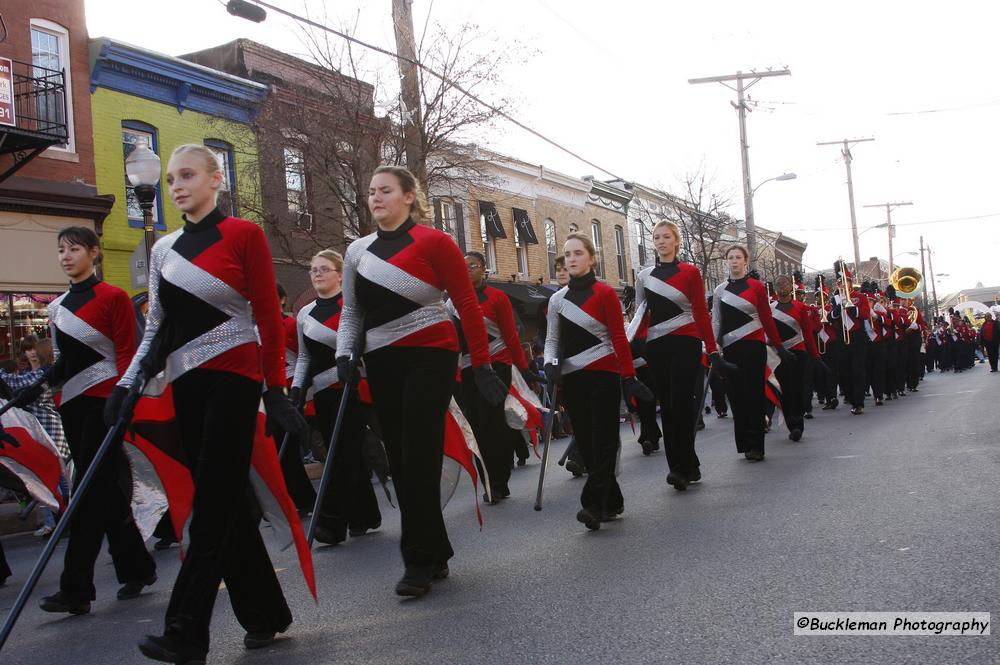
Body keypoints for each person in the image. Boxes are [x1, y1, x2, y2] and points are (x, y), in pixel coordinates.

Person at [108, 144, 308, 663]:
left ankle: (186, 630)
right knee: (227, 504)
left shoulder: (244, 234)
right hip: (185, 384)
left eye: (188, 175)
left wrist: (275, 389)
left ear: (216, 179)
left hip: (236, 381)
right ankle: (266, 613)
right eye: (171, 178)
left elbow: (266, 315)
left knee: (213, 501)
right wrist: (128, 385)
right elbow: (157, 327)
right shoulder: (164, 250)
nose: (176, 186)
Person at [336, 165, 506, 597]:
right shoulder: (357, 251)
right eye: (371, 191)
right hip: (381, 359)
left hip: (431, 355)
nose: (375, 198)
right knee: (400, 459)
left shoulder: (435, 242)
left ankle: (416, 559)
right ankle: (436, 548)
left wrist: (482, 364)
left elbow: (467, 303)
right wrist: (343, 352)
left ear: (409, 196)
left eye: (386, 191)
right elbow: (352, 310)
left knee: (417, 452)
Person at [21, 226, 157, 617]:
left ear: (94, 253)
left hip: (106, 405)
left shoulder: (113, 297)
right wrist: (40, 382)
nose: (66, 256)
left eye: (74, 248)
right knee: (107, 492)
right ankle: (138, 568)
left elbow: (129, 353)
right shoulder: (57, 306)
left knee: (86, 493)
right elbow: (64, 361)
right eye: (61, 249)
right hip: (74, 404)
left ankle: (76, 587)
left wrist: (123, 399)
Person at [544, 233, 652, 529]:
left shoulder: (605, 294)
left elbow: (619, 337)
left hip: (603, 374)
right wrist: (550, 363)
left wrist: (628, 376)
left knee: (604, 439)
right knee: (588, 443)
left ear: (592, 258)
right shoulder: (556, 300)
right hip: (572, 379)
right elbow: (552, 339)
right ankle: (612, 501)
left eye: (578, 253)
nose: (572, 259)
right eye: (568, 254)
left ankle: (591, 504)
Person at [291, 249, 381, 544]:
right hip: (323, 395)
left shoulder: (350, 307)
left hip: (351, 391)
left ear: (340, 275)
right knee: (343, 455)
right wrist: (297, 389)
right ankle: (364, 515)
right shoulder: (304, 314)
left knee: (343, 456)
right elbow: (304, 357)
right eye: (313, 269)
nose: (317, 273)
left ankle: (332, 523)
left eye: (323, 269)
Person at [633, 220, 717, 489]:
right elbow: (639, 315)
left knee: (682, 402)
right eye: (657, 237)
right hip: (657, 346)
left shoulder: (691, 272)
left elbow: (701, 313)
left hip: (686, 342)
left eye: (666, 237)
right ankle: (680, 466)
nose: (661, 241)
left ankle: (684, 464)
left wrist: (712, 348)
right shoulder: (643, 276)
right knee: (667, 405)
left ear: (676, 241)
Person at [447, 251, 532, 503]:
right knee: (475, 427)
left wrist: (524, 368)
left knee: (496, 425)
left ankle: (499, 480)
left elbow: (510, 336)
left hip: (497, 367)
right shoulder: (451, 302)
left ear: (483, 268)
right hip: (467, 370)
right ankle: (487, 480)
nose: (468, 270)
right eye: (463, 267)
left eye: (473, 265)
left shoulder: (498, 298)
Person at [712, 245, 787, 461]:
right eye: (731, 258)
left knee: (754, 394)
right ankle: (744, 442)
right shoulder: (719, 291)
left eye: (738, 257)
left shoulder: (756, 287)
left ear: (745, 261)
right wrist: (713, 349)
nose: (734, 261)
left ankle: (756, 444)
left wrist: (779, 346)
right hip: (730, 348)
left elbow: (765, 317)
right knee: (736, 396)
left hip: (753, 347)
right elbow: (716, 321)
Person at [1, 337, 70, 537]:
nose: (31, 353)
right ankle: (56, 519)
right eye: (27, 349)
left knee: (56, 475)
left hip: (50, 428)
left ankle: (60, 518)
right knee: (51, 476)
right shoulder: (30, 374)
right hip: (35, 430)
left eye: (33, 349)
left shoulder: (44, 373)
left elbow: (18, 384)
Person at [770, 275, 819, 441]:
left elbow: (807, 333)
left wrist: (815, 355)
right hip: (779, 354)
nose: (782, 288)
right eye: (778, 285)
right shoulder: (771, 308)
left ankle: (798, 424)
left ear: (790, 287)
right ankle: (791, 424)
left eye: (784, 285)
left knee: (798, 389)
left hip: (798, 352)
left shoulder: (800, 307)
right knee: (784, 390)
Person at [830, 265, 870, 414]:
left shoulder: (860, 297)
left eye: (846, 281)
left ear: (851, 282)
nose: (843, 284)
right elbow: (829, 318)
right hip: (842, 336)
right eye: (841, 282)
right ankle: (852, 398)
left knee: (858, 369)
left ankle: (859, 402)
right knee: (844, 370)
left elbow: (865, 314)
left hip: (857, 335)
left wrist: (854, 309)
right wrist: (837, 308)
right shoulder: (836, 299)